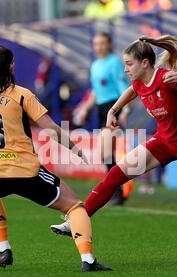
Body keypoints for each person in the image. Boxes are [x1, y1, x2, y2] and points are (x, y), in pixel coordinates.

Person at [51, 35, 177, 261]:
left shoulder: (167, 80)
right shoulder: (139, 81)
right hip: (164, 141)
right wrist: (114, 110)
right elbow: (132, 90)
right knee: (115, 175)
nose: (126, 69)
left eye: (129, 64)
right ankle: (76, 221)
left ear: (145, 63)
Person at [0, 45, 111, 272]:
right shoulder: (21, 95)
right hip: (24, 172)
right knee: (75, 207)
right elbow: (50, 128)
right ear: (11, 65)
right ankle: (88, 260)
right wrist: (75, 149)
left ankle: (4, 248)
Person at [72, 32, 132, 205]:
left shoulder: (114, 63)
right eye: (96, 43)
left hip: (114, 107)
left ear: (109, 44)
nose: (99, 46)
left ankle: (117, 192)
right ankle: (118, 190)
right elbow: (96, 91)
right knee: (105, 155)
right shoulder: (95, 65)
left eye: (102, 43)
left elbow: (124, 88)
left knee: (106, 153)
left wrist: (125, 110)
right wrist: (85, 108)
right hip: (101, 109)